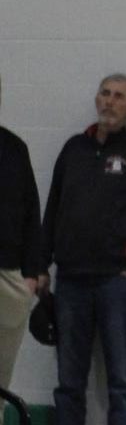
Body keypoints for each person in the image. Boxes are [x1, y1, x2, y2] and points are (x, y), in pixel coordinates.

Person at [40, 72, 126, 425]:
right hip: (71, 281)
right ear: (97, 100)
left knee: (122, 383)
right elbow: (53, 209)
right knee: (68, 383)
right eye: (105, 94)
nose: (110, 101)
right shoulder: (73, 149)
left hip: (118, 282)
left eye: (119, 96)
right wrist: (41, 264)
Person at [0, 89, 41, 390]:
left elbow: (30, 211)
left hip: (10, 275)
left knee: (2, 376)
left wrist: (31, 274)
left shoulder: (14, 148)